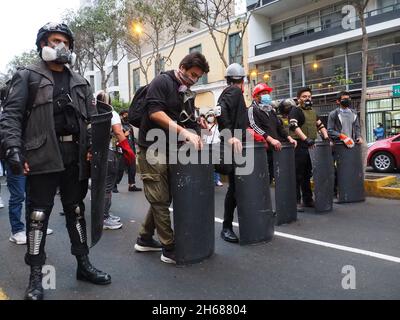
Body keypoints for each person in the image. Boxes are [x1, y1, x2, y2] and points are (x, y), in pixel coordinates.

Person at [0, 22, 111, 300]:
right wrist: (14, 150)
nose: (59, 46)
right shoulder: (28, 76)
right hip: (41, 157)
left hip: (75, 158)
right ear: (42, 45)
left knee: (76, 213)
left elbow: (92, 120)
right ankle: (36, 278)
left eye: (64, 41)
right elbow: (10, 116)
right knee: (37, 217)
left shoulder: (80, 82)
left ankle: (83, 265)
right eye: (53, 41)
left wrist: (93, 150)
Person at [134, 52, 210, 264]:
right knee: (159, 199)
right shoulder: (162, 81)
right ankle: (169, 247)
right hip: (151, 147)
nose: (194, 79)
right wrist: (182, 132)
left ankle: (144, 238)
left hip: (171, 148)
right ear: (183, 67)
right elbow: (154, 112)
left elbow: (189, 119)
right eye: (193, 74)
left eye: (198, 77)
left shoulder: (186, 91)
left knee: (162, 197)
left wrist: (196, 131)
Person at [217, 63, 248, 243]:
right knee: (235, 188)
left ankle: (230, 224)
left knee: (237, 188)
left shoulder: (231, 92)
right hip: (234, 145)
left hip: (237, 144)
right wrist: (229, 137)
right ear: (242, 80)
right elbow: (221, 113)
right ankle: (226, 227)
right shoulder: (234, 92)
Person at [97, 92, 135, 230]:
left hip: (96, 152)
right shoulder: (111, 113)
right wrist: (127, 149)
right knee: (107, 185)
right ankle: (104, 217)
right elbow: (118, 132)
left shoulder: (92, 112)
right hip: (110, 152)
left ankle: (103, 214)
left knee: (101, 185)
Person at [288, 87, 329, 211]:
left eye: (309, 97)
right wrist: (306, 139)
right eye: (304, 96)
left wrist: (326, 137)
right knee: (297, 174)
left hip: (311, 145)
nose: (307, 99)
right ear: (298, 98)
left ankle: (308, 199)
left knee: (307, 174)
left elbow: (320, 125)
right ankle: (295, 201)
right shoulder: (295, 111)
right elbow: (294, 126)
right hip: (299, 145)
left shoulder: (312, 112)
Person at [114, 109, 142, 192]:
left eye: (128, 115)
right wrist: (124, 135)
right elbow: (114, 136)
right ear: (121, 115)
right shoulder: (118, 126)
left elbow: (132, 140)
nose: (127, 117)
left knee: (132, 168)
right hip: (121, 150)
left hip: (130, 150)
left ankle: (132, 185)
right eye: (125, 115)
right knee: (120, 168)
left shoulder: (129, 126)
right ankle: (114, 185)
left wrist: (134, 151)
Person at [202, 110, 223, 186]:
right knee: (207, 164)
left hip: (216, 145)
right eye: (209, 115)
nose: (211, 117)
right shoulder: (205, 125)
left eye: (212, 115)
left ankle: (217, 180)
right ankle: (208, 180)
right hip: (207, 146)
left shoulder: (218, 126)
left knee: (216, 164)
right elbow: (207, 132)